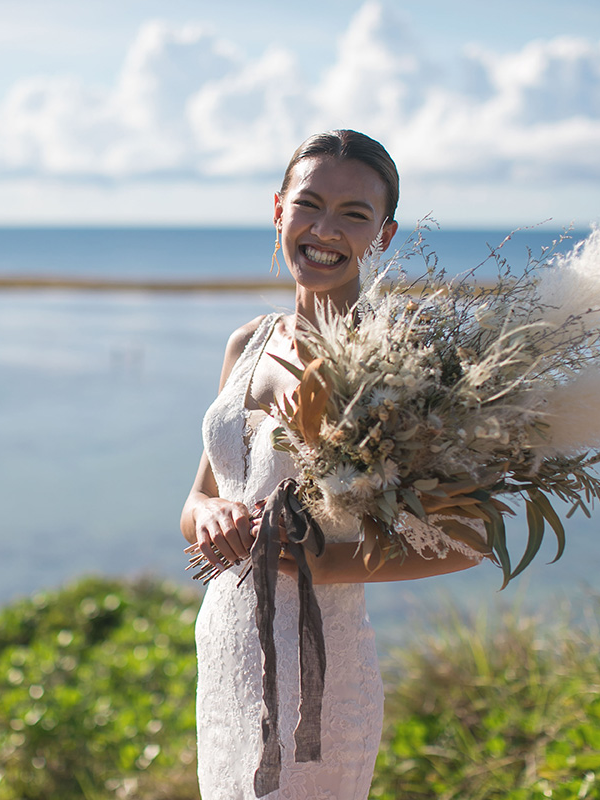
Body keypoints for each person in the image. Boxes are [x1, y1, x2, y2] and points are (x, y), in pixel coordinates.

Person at [180, 130, 483, 799]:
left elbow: (469, 541)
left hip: (321, 666)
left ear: (385, 234)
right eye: (309, 204)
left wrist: (321, 561)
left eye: (354, 214)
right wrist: (216, 517)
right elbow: (195, 503)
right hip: (227, 647)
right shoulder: (247, 342)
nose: (325, 229)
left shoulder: (403, 368)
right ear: (279, 211)